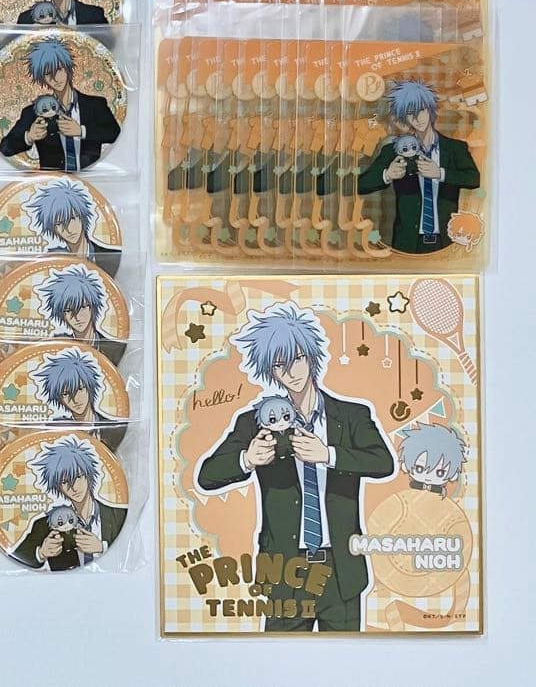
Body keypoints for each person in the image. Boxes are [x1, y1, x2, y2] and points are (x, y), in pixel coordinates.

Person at [196, 303, 395, 632]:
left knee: (347, 659)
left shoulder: (351, 415)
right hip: (285, 572)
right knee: (277, 658)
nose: (291, 371)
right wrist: (247, 459)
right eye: (280, 365)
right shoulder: (257, 421)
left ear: (311, 357)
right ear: (271, 371)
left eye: (297, 358)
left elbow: (383, 462)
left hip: (341, 572)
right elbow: (206, 475)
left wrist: (329, 454)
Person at [356, 81, 480, 253]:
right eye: (410, 113)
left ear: (430, 109)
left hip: (447, 239)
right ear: (404, 117)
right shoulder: (394, 149)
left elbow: (474, 179)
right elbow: (361, 184)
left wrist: (440, 173)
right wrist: (387, 174)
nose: (417, 118)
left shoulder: (455, 148)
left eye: (421, 110)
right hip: (407, 241)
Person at [0, 38, 120, 171]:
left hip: (93, 175)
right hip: (50, 179)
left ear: (68, 68)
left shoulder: (95, 105)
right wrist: (29, 136)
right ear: (42, 78)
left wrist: (81, 131)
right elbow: (5, 148)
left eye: (59, 70)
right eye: (47, 74)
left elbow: (114, 133)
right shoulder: (34, 112)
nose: (55, 78)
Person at [12, 435, 126, 571]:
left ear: (88, 475)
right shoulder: (45, 525)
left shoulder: (117, 514)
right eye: (65, 482)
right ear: (58, 487)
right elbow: (17, 553)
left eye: (78, 477)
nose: (74, 487)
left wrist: (102, 547)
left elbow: (131, 549)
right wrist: (41, 553)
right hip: (60, 583)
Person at [24, 179, 120, 276]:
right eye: (59, 224)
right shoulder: (53, 262)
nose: (68, 230)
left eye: (72, 218)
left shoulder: (110, 257)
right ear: (54, 229)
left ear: (82, 217)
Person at [33, 347, 122, 446]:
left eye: (80, 389)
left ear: (89, 387)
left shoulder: (113, 429)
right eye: (65, 394)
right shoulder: (55, 430)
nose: (75, 399)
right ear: (60, 399)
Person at [37, 265, 122, 362]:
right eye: (68, 311)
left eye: (82, 307)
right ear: (62, 315)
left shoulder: (114, 349)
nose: (77, 317)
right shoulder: (56, 346)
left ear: (92, 306)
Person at [398, 423, 466, 497]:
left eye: (440, 473)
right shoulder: (410, 488)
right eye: (419, 468)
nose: (428, 476)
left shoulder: (439, 490)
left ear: (454, 475)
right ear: (405, 466)